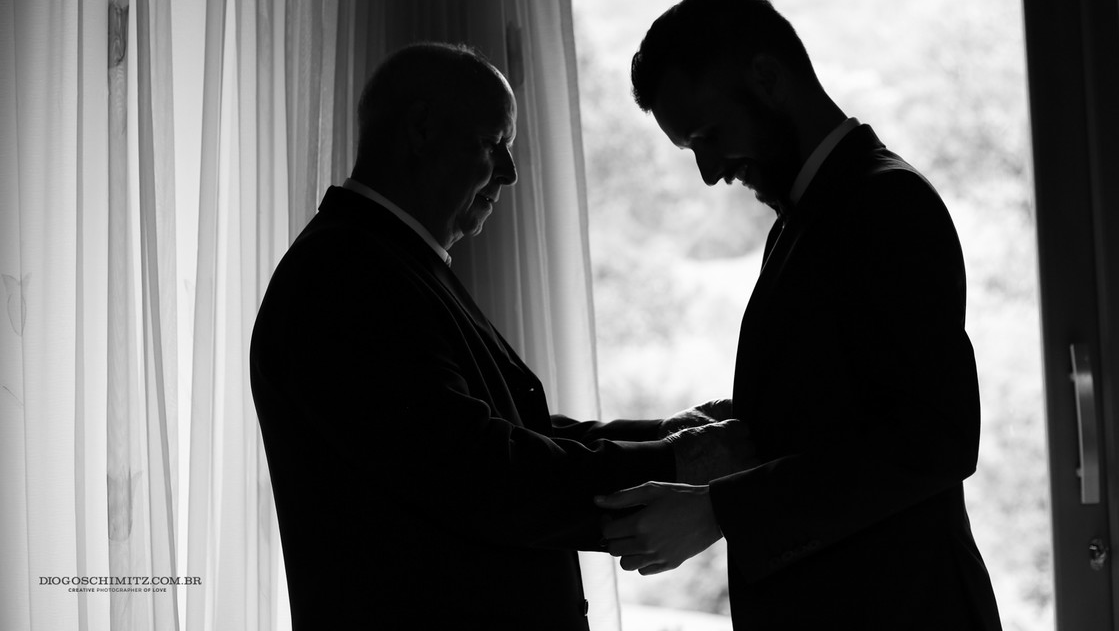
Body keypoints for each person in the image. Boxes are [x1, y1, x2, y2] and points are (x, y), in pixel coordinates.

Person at [249, 42, 748, 630]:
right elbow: (481, 474)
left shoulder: (385, 261)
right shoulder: (345, 276)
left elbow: (497, 431)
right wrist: (681, 460)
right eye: (496, 144)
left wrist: (669, 432)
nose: (509, 174)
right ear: (423, 128)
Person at [595, 0, 1003, 630]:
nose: (708, 172)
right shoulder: (804, 215)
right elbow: (846, 404)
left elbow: (935, 437)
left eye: (708, 133)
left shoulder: (886, 204)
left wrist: (718, 510)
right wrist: (729, 425)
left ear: (767, 77)